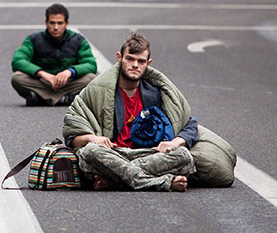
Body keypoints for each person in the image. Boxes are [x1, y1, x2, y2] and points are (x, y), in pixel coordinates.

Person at [63, 33, 236, 191]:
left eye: (141, 61)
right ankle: (162, 182)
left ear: (148, 64)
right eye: (130, 59)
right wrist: (94, 138)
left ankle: (117, 180)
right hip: (113, 153)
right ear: (119, 58)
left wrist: (175, 142)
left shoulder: (156, 92)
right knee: (90, 151)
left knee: (183, 156)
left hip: (148, 154)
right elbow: (72, 135)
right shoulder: (100, 90)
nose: (135, 65)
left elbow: (189, 124)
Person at [11, 3, 97, 106]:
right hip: (43, 83)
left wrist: (69, 72)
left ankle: (41, 99)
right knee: (17, 78)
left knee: (92, 79)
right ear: (46, 23)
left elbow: (91, 64)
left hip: (68, 83)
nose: (56, 27)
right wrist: (43, 74)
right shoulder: (33, 40)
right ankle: (65, 99)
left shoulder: (78, 40)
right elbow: (17, 60)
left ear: (66, 23)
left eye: (60, 23)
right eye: (52, 23)